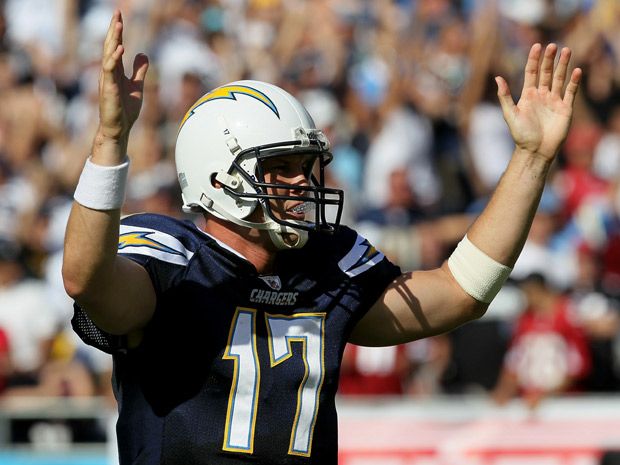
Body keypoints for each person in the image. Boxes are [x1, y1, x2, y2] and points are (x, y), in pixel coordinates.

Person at [62, 10, 582, 465]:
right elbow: (86, 278)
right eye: (280, 168)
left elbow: (462, 291)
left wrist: (532, 159)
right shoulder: (173, 263)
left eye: (306, 167)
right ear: (217, 178)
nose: (301, 184)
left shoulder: (325, 266)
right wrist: (110, 140)